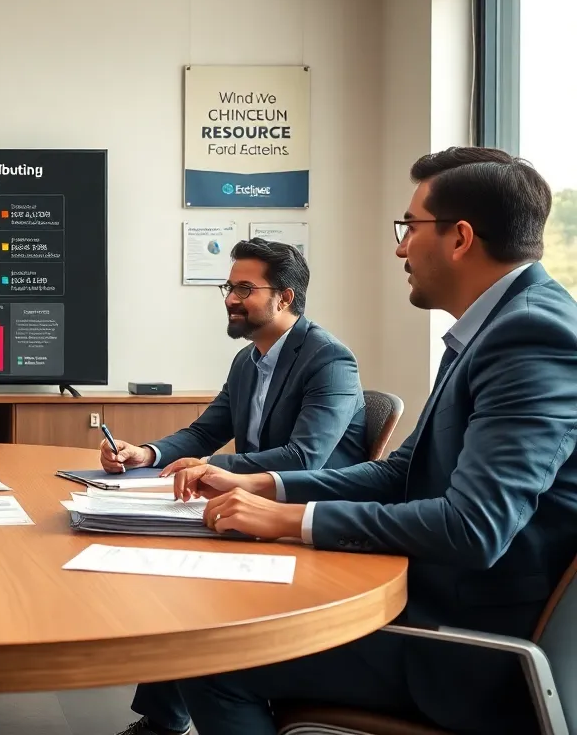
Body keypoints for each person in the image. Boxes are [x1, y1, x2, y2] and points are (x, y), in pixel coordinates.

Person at [170, 147, 577, 734]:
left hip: (468, 650)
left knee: (210, 655)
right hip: (436, 606)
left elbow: (475, 528)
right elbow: (399, 472)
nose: (399, 247)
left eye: (409, 227)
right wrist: (262, 484)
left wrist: (287, 521)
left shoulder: (529, 336)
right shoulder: (492, 328)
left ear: (459, 238)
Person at [103, 239, 368, 735]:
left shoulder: (329, 360)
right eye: (229, 286)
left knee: (181, 589)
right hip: (249, 508)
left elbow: (303, 458)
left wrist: (209, 468)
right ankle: (162, 721)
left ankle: (166, 721)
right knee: (167, 577)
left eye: (245, 288)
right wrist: (147, 453)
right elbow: (204, 430)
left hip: (308, 520)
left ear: (285, 297)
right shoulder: (249, 360)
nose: (230, 298)